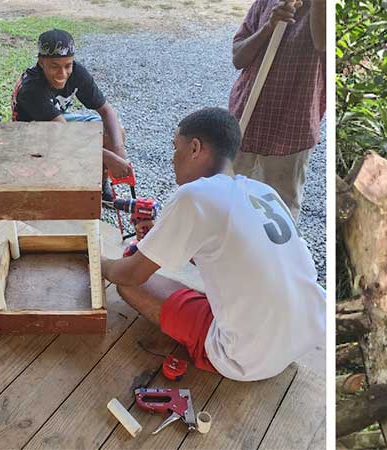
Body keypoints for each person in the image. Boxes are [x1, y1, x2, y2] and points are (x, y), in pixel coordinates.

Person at [101, 107, 325, 382]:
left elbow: (131, 273)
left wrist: (97, 260)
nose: (173, 159)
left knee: (129, 282)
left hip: (247, 357)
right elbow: (228, 252)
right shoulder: (263, 192)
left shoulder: (195, 195)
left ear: (195, 148)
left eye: (176, 148)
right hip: (302, 335)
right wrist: (158, 241)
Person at [229, 0, 326, 222]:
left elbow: (322, 43)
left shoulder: (324, 9)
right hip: (245, 122)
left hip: (291, 133)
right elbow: (238, 57)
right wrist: (268, 28)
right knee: (230, 205)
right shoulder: (267, 3)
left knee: (278, 217)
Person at [11, 28, 130, 197]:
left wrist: (118, 149)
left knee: (115, 132)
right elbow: (64, 134)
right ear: (41, 62)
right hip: (30, 134)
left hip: (57, 122)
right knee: (80, 148)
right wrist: (108, 157)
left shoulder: (77, 72)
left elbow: (106, 110)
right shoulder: (31, 89)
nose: (62, 74)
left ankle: (100, 184)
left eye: (68, 65)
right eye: (54, 66)